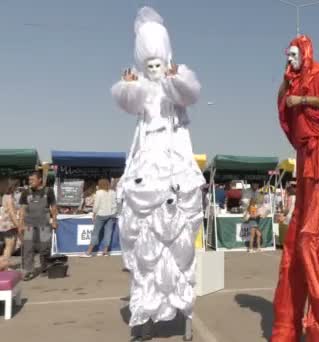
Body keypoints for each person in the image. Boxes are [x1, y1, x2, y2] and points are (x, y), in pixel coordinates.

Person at [111, 6, 205, 333]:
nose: (154, 69)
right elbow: (129, 101)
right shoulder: (143, 92)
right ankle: (146, 317)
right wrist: (128, 86)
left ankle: (185, 316)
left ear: (166, 61)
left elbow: (189, 92)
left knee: (180, 245)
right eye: (148, 64)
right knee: (145, 247)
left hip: (175, 162)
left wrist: (176, 78)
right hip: (146, 163)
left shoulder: (173, 92)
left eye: (158, 63)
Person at [272, 34, 319, 341]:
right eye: (287, 55)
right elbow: (282, 106)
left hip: (318, 155)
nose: (289, 59)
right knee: (297, 239)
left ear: (306, 53)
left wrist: (302, 99)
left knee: (313, 237)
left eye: (293, 55)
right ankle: (287, 325)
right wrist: (286, 85)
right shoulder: (294, 79)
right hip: (302, 155)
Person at [19, 170, 58, 281]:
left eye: (32, 179)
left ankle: (45, 267)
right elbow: (22, 209)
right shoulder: (25, 192)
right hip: (29, 225)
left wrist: (54, 220)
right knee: (28, 248)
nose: (30, 181)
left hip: (44, 224)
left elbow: (53, 207)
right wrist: (20, 224)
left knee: (45, 248)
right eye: (29, 179)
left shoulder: (48, 191)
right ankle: (28, 271)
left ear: (40, 179)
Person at [83, 178, 117, 257]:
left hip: (101, 214)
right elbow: (115, 205)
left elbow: (96, 205)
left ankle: (89, 252)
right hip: (111, 215)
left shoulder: (99, 193)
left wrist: (94, 213)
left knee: (95, 233)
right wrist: (113, 214)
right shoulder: (113, 192)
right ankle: (105, 251)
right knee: (108, 233)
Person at [0, 179, 20, 261]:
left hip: (7, 225)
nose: (17, 189)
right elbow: (11, 213)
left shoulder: (5, 196)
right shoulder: (8, 197)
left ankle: (4, 263)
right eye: (16, 187)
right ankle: (3, 265)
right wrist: (18, 225)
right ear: (12, 187)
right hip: (9, 225)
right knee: (9, 246)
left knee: (11, 246)